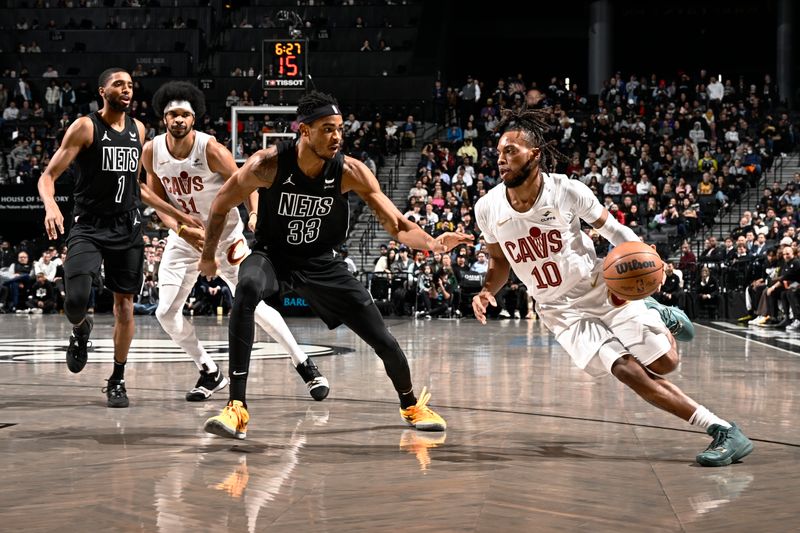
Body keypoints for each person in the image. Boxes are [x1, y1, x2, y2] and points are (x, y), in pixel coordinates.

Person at [471, 107, 753, 467]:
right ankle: (723, 430)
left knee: (665, 362)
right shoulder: (487, 207)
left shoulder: (567, 191)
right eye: (498, 153)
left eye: (510, 151)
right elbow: (500, 262)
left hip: (603, 289)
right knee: (626, 370)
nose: (501, 160)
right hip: (560, 311)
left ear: (535, 154)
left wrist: (645, 261)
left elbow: (614, 231)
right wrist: (485, 291)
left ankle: (656, 311)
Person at [199, 91, 472, 439]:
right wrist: (208, 256)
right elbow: (220, 206)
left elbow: (398, 225)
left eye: (340, 129)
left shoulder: (349, 171)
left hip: (322, 263)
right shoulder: (267, 164)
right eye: (328, 129)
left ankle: (410, 404)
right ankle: (236, 408)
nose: (337, 137)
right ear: (305, 131)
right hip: (272, 256)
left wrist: (432, 243)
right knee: (247, 287)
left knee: (382, 339)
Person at [142, 81, 329, 402]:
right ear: (163, 118)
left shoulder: (211, 149)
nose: (178, 120)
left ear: (194, 118)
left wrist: (255, 215)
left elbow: (249, 183)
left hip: (226, 234)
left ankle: (305, 364)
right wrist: (185, 231)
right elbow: (160, 205)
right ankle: (209, 371)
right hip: (185, 238)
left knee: (253, 304)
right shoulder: (152, 151)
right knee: (165, 313)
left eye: (184, 114)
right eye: (172, 114)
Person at [37, 67, 198, 408]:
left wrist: (180, 215)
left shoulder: (139, 130)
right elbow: (48, 175)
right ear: (102, 91)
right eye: (118, 84)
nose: (127, 89)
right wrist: (51, 205)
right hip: (89, 225)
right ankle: (81, 329)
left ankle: (117, 379)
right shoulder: (85, 127)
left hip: (127, 227)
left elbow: (139, 186)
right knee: (76, 300)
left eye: (129, 85)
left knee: (124, 307)